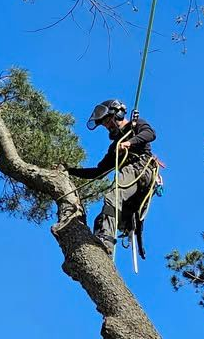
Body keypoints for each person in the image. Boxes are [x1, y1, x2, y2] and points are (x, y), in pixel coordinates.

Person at [67, 99, 157, 255]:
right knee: (100, 220)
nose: (107, 126)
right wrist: (69, 171)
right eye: (104, 124)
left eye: (108, 121)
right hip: (132, 181)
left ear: (119, 114)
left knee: (114, 194)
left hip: (141, 169)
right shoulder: (114, 148)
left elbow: (150, 134)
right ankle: (101, 249)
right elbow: (98, 172)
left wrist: (129, 143)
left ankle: (106, 240)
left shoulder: (135, 127)